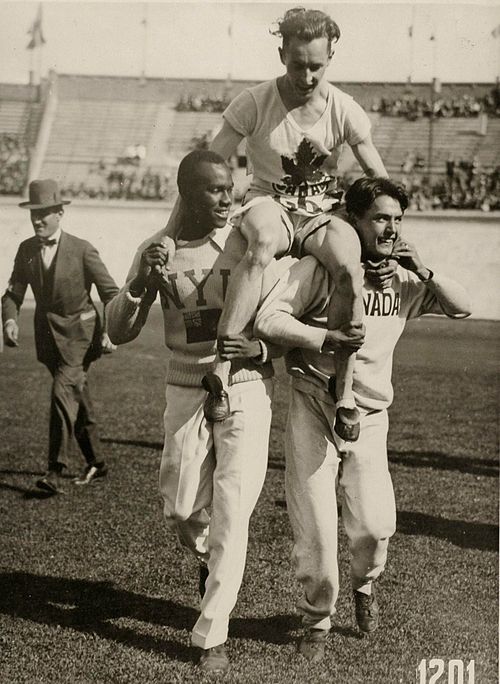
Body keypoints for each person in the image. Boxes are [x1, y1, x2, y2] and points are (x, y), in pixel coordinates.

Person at [254, 177, 471, 662]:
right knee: (315, 522)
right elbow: (269, 319)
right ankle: (318, 620)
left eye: (397, 219)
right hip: (315, 404)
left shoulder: (405, 280)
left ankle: (365, 586)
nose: (390, 229)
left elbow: (463, 307)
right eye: (380, 218)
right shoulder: (320, 267)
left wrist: (425, 268)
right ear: (354, 221)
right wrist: (323, 339)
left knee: (374, 527)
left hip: (371, 415)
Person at [106, 150, 289, 674]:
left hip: (246, 388)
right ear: (186, 194)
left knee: (233, 511)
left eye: (229, 187)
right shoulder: (156, 249)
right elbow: (117, 330)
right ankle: (209, 561)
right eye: (213, 190)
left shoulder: (249, 241)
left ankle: (212, 635)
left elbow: (282, 319)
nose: (226, 198)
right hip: (184, 385)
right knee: (182, 506)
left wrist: (257, 352)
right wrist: (142, 282)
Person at [171, 6, 389, 440]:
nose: (306, 77)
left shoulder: (344, 109)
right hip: (268, 201)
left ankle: (344, 391)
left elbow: (380, 182)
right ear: (280, 53)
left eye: (316, 66)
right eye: (297, 65)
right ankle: (222, 368)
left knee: (348, 265)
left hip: (322, 212)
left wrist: (397, 243)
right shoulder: (254, 102)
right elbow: (203, 170)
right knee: (262, 242)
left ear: (330, 60)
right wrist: (170, 231)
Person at [2, 179, 118, 494]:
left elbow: (111, 294)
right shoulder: (26, 249)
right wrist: (10, 322)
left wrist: (110, 331)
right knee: (76, 397)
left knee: (61, 393)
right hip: (48, 340)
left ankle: (54, 470)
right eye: (33, 214)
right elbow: (12, 294)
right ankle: (98, 461)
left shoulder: (82, 249)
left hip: (81, 338)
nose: (37, 220)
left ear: (59, 213)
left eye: (44, 213)